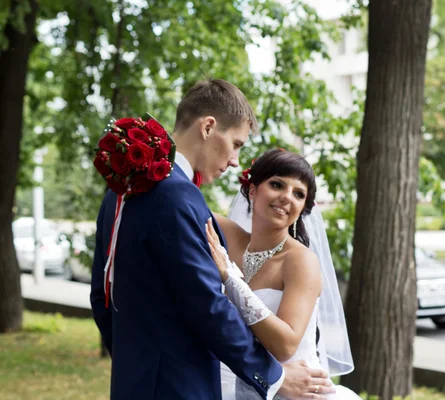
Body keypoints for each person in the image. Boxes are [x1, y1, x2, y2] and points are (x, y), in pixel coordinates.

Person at [90, 79, 334, 400]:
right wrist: (273, 376)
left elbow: (101, 294)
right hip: (177, 385)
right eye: (236, 143)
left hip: (136, 379)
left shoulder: (123, 187)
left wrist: (135, 357)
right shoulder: (177, 195)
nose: (235, 160)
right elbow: (207, 304)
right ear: (208, 127)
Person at [208, 149, 361, 399]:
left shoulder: (300, 261)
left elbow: (286, 345)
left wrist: (231, 279)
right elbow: (183, 205)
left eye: (298, 194)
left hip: (296, 392)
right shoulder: (230, 238)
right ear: (253, 190)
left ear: (303, 208)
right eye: (277, 185)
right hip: (233, 386)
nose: (286, 197)